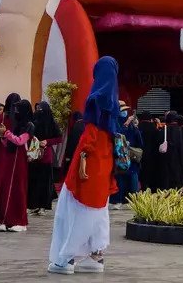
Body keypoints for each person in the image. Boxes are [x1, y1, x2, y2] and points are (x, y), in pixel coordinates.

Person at [47, 56, 121, 275]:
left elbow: (91, 132)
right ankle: (95, 257)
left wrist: (83, 154)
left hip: (89, 158)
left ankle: (66, 259)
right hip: (105, 161)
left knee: (75, 207)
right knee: (98, 208)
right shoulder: (115, 103)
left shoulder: (96, 98)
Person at [0, 98, 35, 232]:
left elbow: (19, 141)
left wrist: (6, 133)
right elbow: (7, 143)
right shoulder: (17, 124)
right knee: (6, 188)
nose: (15, 112)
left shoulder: (29, 125)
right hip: (11, 159)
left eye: (19, 109)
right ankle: (5, 219)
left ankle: (20, 221)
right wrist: (3, 136)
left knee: (18, 189)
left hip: (20, 161)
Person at [28, 101, 61, 215]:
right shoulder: (33, 122)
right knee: (34, 181)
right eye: (37, 109)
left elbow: (59, 138)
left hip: (46, 155)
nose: (39, 111)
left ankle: (43, 206)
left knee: (45, 182)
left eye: (41, 109)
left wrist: (47, 141)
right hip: (33, 154)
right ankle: (34, 205)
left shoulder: (52, 123)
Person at [111, 101, 144, 208]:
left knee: (132, 179)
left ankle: (132, 201)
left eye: (126, 110)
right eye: (123, 110)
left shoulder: (132, 125)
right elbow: (117, 136)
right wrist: (126, 124)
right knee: (120, 179)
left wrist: (136, 127)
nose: (125, 112)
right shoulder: (115, 122)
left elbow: (140, 142)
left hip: (131, 156)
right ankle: (118, 200)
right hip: (120, 157)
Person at [160, 112, 183, 190]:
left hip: (167, 155)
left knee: (168, 174)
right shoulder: (180, 129)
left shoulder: (165, 128)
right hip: (178, 156)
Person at [137, 111, 161, 192]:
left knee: (142, 171)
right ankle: (152, 188)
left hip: (140, 153)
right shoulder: (153, 127)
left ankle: (142, 187)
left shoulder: (138, 127)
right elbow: (158, 140)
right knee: (151, 171)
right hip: (152, 154)